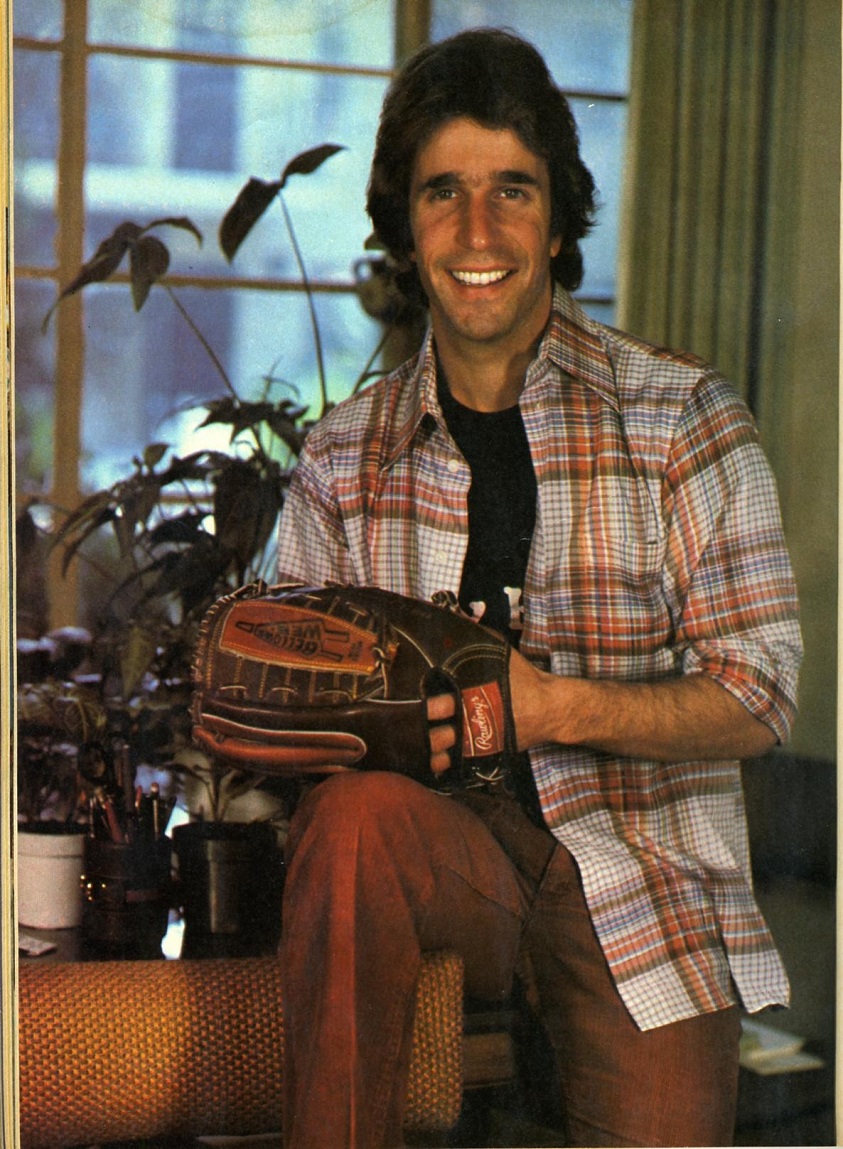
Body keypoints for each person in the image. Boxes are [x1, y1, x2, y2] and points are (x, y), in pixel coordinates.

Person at [274, 28, 802, 1149]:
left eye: (511, 190)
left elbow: (759, 693)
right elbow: (293, 712)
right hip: (439, 857)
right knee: (353, 823)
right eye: (443, 193)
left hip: (642, 878)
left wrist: (551, 706)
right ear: (404, 226)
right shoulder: (340, 457)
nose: (477, 233)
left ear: (558, 220)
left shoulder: (683, 418)